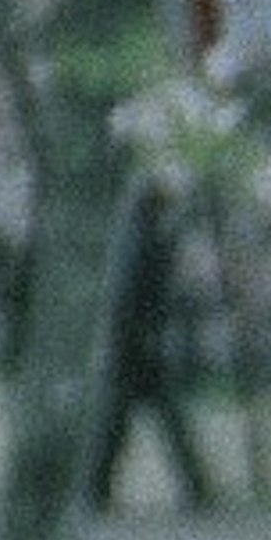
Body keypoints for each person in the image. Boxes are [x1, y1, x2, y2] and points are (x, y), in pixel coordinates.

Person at [84, 184, 219, 511]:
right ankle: (195, 491)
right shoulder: (143, 243)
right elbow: (132, 298)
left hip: (133, 346)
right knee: (133, 424)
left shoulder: (141, 240)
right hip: (138, 347)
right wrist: (146, 337)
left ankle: (97, 492)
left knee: (120, 424)